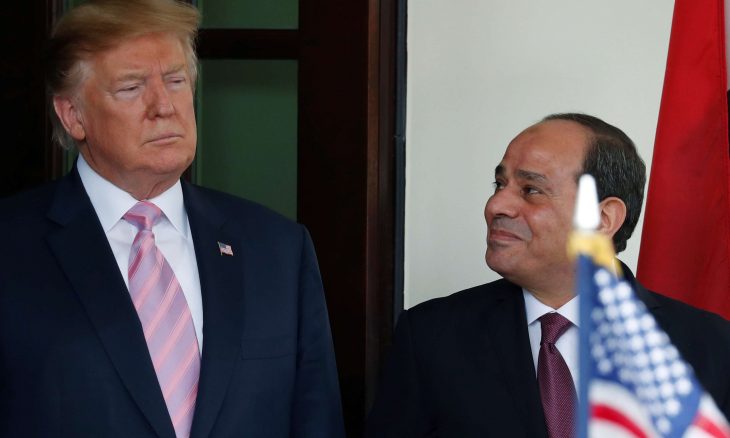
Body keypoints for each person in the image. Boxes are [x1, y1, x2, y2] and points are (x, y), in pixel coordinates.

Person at [0, 0, 345, 437]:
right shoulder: (12, 250)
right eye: (131, 87)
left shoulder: (278, 250)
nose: (164, 106)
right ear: (73, 115)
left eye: (176, 81)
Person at [366, 113, 730, 437]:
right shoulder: (431, 336)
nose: (496, 205)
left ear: (603, 219)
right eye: (500, 184)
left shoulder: (709, 347)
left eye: (531, 190)